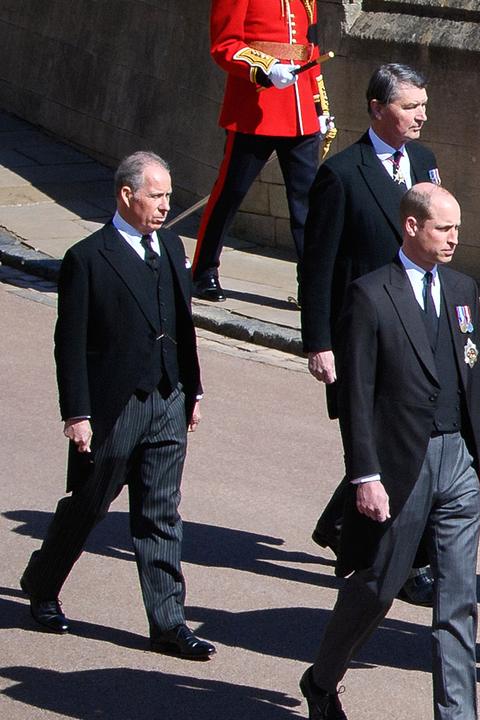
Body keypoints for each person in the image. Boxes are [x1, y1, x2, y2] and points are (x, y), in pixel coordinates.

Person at [299, 183, 480, 720]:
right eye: (443, 228)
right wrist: (365, 475)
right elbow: (356, 396)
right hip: (400, 463)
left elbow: (472, 378)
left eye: (457, 227)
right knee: (379, 587)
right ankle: (322, 678)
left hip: (457, 459)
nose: (455, 238)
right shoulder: (371, 295)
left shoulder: (462, 289)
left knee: (457, 601)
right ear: (411, 227)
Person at [19, 151, 215, 659]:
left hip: (168, 399)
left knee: (160, 514)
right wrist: (77, 414)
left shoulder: (171, 246)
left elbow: (182, 324)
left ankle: (169, 622)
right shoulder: (88, 257)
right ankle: (43, 584)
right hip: (114, 408)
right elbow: (71, 342)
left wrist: (191, 389)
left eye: (169, 195)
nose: (165, 206)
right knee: (89, 505)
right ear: (127, 195)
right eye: (156, 196)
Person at [299, 63, 441, 606]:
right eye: (409, 107)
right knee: (388, 445)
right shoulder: (343, 174)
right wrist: (318, 343)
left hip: (418, 329)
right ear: (378, 108)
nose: (420, 116)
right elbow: (317, 267)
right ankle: (392, 560)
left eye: (423, 106)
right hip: (365, 335)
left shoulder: (425, 164)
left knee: (410, 440)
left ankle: (342, 524)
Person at [193, 0, 335, 302]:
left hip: (300, 116)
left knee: (307, 205)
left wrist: (318, 106)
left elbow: (309, 49)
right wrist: (265, 68)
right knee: (229, 193)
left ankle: (311, 285)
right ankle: (204, 270)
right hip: (255, 108)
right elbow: (225, 44)